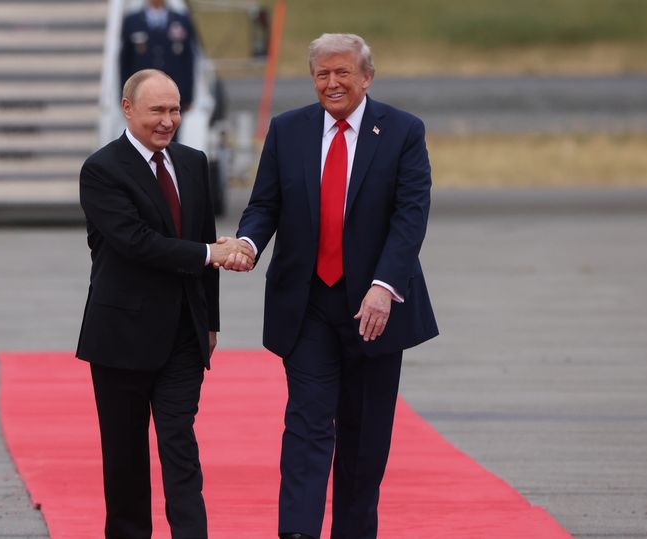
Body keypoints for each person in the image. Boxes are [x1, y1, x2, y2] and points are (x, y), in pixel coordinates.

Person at [227, 33, 439, 539]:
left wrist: (384, 285)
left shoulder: (403, 131)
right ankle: (297, 532)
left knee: (365, 441)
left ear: (366, 77)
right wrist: (248, 245)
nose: (332, 82)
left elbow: (410, 218)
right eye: (322, 73)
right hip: (307, 306)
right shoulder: (287, 130)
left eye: (343, 72)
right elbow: (264, 205)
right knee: (306, 425)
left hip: (374, 308)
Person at [76, 69, 252, 539]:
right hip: (121, 340)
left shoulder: (194, 163)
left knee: (181, 448)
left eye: (175, 109)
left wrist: (210, 322)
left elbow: (201, 246)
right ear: (128, 108)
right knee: (125, 457)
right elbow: (136, 242)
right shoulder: (102, 170)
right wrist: (207, 253)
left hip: (183, 338)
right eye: (157, 110)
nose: (167, 120)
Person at [120, 0, 197, 112]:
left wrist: (188, 97)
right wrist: (125, 95)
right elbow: (125, 62)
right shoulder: (132, 21)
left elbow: (188, 61)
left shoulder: (182, 20)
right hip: (142, 95)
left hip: (174, 95)